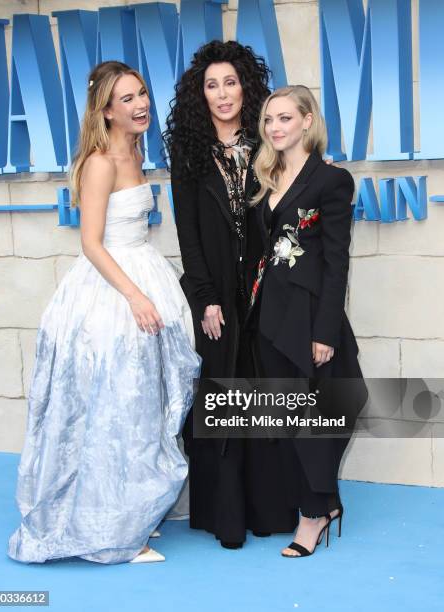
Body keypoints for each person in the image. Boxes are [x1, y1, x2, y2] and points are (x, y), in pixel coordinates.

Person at [8, 61, 200, 565]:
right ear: (106, 110)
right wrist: (136, 297)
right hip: (110, 292)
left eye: (142, 94)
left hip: (143, 269)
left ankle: (132, 511)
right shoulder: (99, 162)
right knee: (117, 411)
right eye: (127, 99)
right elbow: (91, 243)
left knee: (139, 410)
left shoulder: (136, 150)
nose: (140, 105)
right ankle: (114, 532)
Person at [163, 41, 298, 549]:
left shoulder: (269, 143)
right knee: (221, 397)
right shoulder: (189, 152)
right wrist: (204, 299)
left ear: (247, 87)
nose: (223, 94)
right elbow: (188, 233)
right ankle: (226, 518)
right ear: (201, 94)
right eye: (211, 85)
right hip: (216, 292)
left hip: (265, 290)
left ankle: (269, 510)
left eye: (231, 82)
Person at [248, 85, 366, 557]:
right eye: (269, 121)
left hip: (309, 319)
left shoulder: (331, 180)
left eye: (284, 118)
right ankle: (320, 503)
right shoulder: (266, 175)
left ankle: (314, 515)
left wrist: (324, 332)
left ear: (307, 121)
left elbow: (338, 261)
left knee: (313, 420)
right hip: (269, 318)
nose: (276, 128)